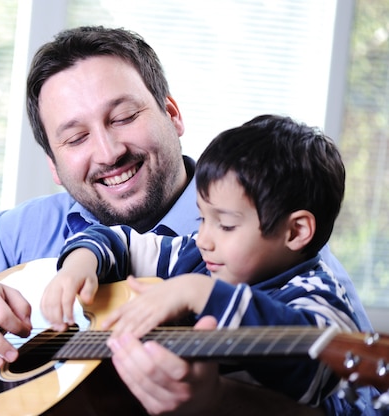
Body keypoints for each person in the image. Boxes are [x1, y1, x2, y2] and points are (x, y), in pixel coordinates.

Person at [0, 26, 373, 415]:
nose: (108, 149)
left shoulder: (275, 247)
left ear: (172, 115)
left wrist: (219, 401)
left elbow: (349, 399)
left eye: (123, 117)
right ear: (53, 166)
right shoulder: (27, 231)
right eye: (75, 138)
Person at [40, 114, 361, 412]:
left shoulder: (319, 296)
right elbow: (119, 241)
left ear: (296, 231)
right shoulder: (197, 255)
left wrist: (202, 293)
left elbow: (317, 366)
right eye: (201, 218)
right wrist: (78, 265)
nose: (203, 238)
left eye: (225, 225)